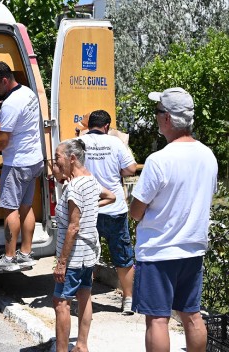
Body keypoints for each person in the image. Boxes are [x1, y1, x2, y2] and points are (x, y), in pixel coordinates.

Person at [129, 87, 218, 352]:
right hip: (192, 248)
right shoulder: (208, 155)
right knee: (192, 315)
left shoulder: (159, 160)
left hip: (159, 251)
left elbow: (136, 211)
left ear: (167, 118)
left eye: (157, 112)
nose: (155, 117)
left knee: (157, 319)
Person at [52, 139, 115, 352]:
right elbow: (111, 196)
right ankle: (81, 346)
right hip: (89, 253)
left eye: (57, 157)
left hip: (74, 256)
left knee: (61, 303)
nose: (55, 161)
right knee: (85, 295)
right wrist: (91, 206)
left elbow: (73, 227)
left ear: (72, 158)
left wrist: (62, 263)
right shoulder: (90, 180)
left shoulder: (76, 187)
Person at [0, 61, 44, 271]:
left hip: (17, 163)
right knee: (26, 208)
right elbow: (21, 117)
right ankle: (26, 253)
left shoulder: (10, 104)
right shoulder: (27, 93)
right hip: (34, 160)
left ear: (5, 80)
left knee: (10, 209)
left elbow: (3, 140)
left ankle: (8, 258)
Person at [78, 109, 138, 314]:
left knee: (86, 255)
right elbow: (130, 169)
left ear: (89, 125)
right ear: (107, 127)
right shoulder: (116, 143)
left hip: (88, 207)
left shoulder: (79, 143)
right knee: (122, 255)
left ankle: (83, 302)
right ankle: (128, 299)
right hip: (114, 209)